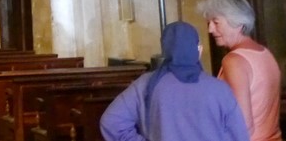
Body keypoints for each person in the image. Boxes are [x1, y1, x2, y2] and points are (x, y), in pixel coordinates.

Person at [100, 21, 249, 141]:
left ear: (165, 50)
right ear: (199, 50)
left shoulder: (145, 84)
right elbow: (239, 136)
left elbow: (111, 122)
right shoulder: (219, 89)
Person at [198, 0, 282, 141]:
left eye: (216, 23)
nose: (210, 29)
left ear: (237, 23)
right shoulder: (265, 53)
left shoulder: (234, 60)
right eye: (209, 23)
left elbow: (243, 124)